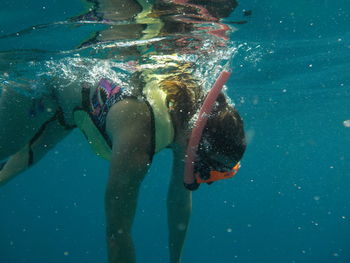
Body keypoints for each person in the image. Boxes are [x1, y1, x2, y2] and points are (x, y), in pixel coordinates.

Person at [0, 0, 246, 262]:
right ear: (196, 142)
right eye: (209, 170)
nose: (202, 179)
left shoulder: (187, 117)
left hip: (71, 114)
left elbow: (178, 201)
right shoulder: (137, 143)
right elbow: (117, 234)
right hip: (43, 93)